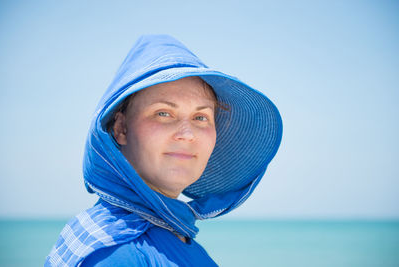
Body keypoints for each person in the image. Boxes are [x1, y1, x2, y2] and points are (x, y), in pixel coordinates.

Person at [45, 34, 283, 266]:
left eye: (201, 117)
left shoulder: (176, 238)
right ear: (121, 128)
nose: (187, 134)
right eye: (163, 113)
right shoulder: (115, 255)